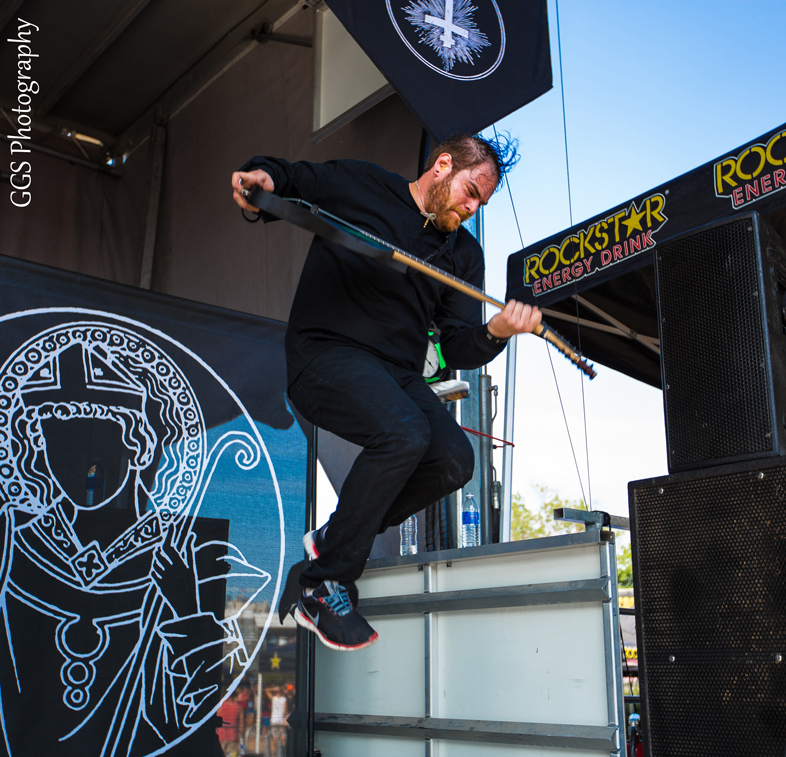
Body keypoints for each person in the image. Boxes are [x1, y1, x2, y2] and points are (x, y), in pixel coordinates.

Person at [231, 132, 541, 652]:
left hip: (396, 374)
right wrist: (262, 177)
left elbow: (458, 345)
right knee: (405, 431)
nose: (471, 208)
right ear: (442, 165)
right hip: (324, 353)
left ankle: (333, 540)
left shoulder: (464, 254)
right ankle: (323, 583)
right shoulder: (366, 185)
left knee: (453, 461)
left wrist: (497, 332)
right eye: (470, 191)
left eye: (481, 204)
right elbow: (297, 180)